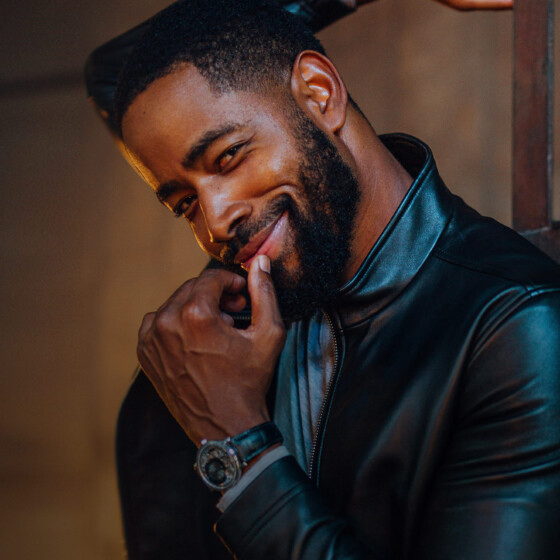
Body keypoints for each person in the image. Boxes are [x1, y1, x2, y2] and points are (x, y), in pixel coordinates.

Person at [85, 1, 560, 558]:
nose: (215, 222)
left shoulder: (518, 328)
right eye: (185, 203)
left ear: (319, 93)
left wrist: (241, 449)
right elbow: (116, 73)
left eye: (229, 156)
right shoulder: (224, 325)